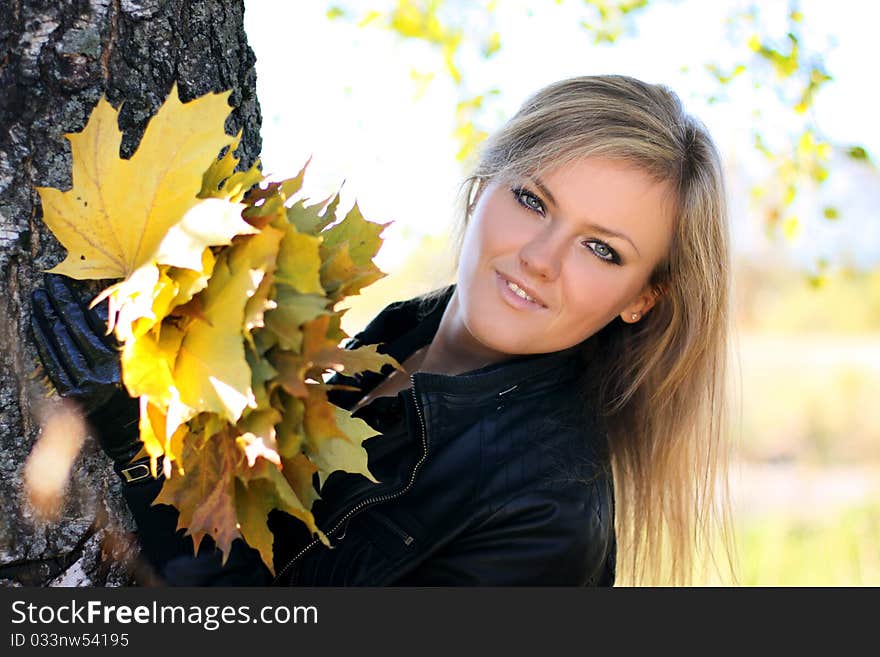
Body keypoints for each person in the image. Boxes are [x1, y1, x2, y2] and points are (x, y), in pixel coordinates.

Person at [31, 74, 736, 586]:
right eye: (532, 199)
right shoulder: (398, 339)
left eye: (601, 248)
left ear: (643, 298)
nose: (540, 259)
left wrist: (133, 433)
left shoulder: (546, 516)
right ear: (483, 182)